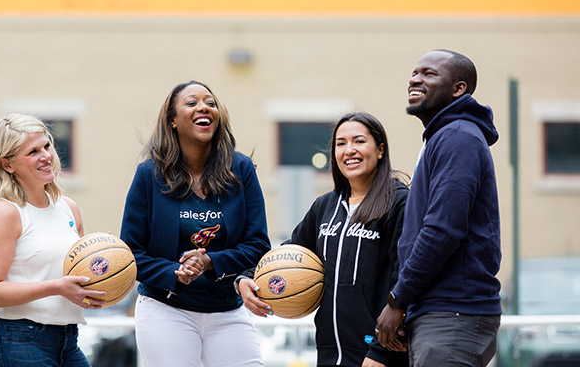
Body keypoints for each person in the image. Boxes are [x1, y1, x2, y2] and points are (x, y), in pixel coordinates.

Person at [238, 112, 409, 367]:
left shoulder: (398, 202)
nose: (349, 150)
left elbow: (404, 275)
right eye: (341, 143)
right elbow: (288, 254)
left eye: (359, 141)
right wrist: (248, 278)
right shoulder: (325, 206)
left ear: (380, 149)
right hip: (329, 350)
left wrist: (380, 353)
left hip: (377, 353)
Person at [120, 81, 271, 367]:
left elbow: (258, 245)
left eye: (210, 103)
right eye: (191, 103)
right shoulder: (149, 175)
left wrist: (209, 262)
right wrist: (175, 271)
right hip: (166, 308)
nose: (204, 107)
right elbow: (130, 254)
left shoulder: (241, 170)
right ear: (173, 120)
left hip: (227, 308)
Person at [375, 49, 501, 367]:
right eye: (415, 73)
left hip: (453, 311)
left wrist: (398, 299)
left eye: (429, 74)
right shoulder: (444, 137)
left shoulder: (457, 137)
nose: (415, 79)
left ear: (459, 88)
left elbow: (443, 229)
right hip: (439, 311)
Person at [0, 114, 106, 367]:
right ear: (8, 164)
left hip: (67, 339)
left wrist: (103, 256)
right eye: (33, 151)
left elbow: (75, 275)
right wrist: (56, 287)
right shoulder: (5, 212)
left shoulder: (68, 207)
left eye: (47, 146)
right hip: (15, 338)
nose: (46, 155)